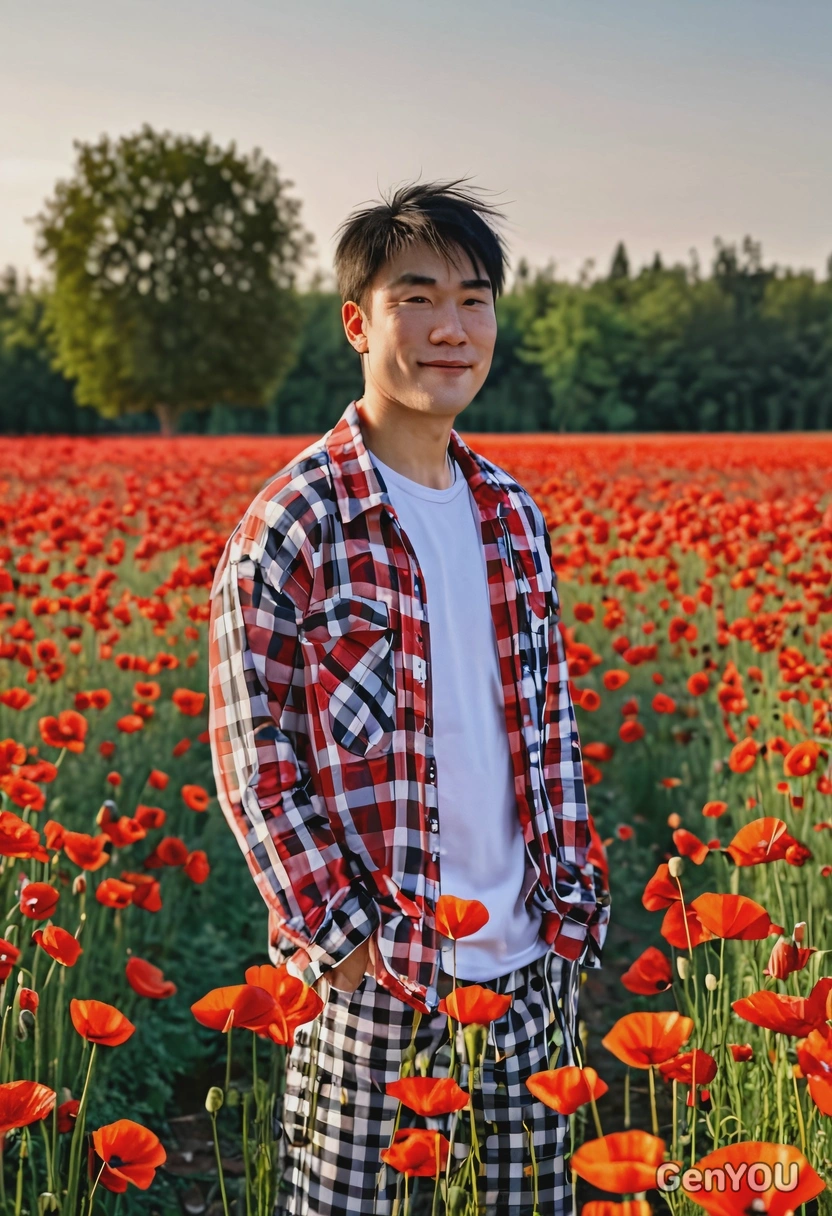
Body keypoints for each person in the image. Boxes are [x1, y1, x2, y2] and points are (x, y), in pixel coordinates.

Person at [208, 177, 611, 1215]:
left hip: (529, 965)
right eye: (416, 299)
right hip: (377, 981)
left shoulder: (512, 515)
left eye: (473, 300)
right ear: (358, 322)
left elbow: (551, 728)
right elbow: (254, 762)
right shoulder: (295, 523)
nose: (450, 329)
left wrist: (572, 902)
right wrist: (343, 944)